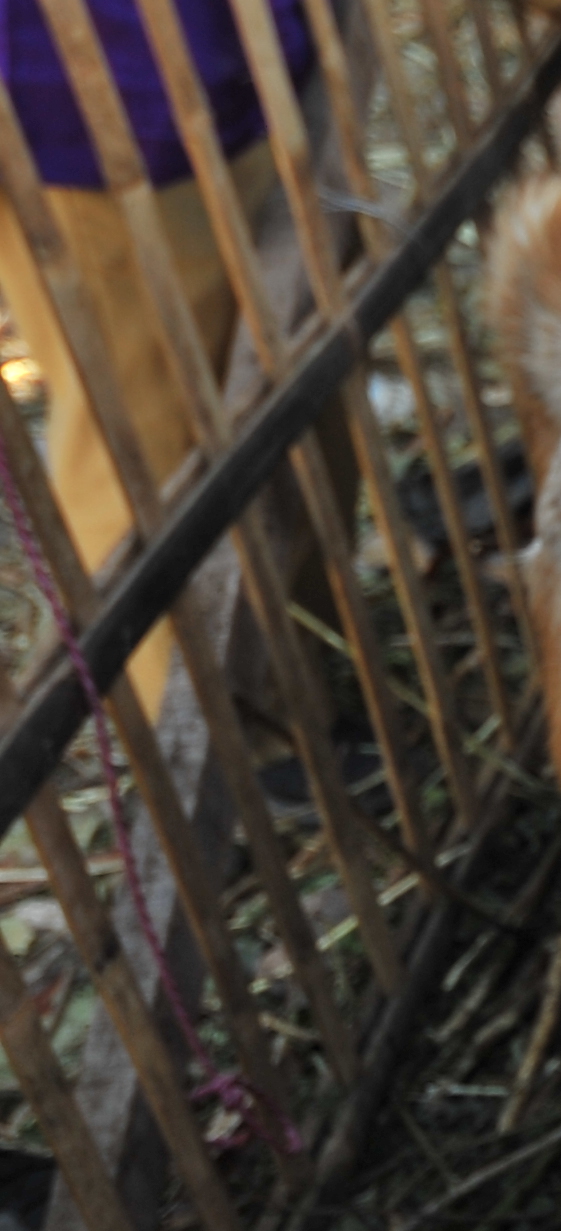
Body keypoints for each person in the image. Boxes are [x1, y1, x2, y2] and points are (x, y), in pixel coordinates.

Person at [0, 0, 314, 707]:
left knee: (271, 370)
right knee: (146, 441)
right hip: (101, 104)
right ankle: (211, 732)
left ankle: (292, 673)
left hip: (209, 69)